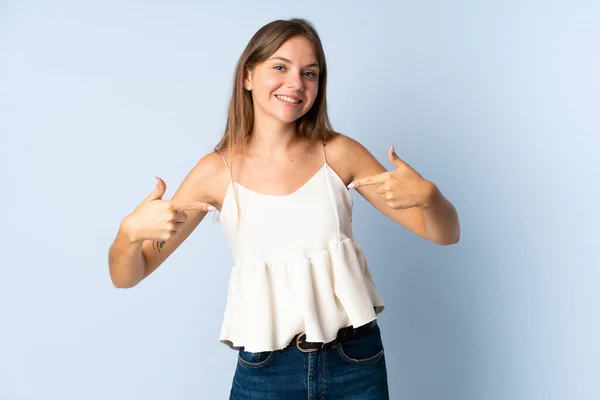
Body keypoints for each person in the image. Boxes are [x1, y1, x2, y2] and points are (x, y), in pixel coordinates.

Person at [108, 17, 460, 399]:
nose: (296, 83)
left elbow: (445, 234)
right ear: (248, 76)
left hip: (355, 363)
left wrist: (430, 197)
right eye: (280, 67)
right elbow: (128, 275)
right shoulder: (216, 173)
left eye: (309, 73)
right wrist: (128, 235)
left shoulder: (339, 154)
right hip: (266, 372)